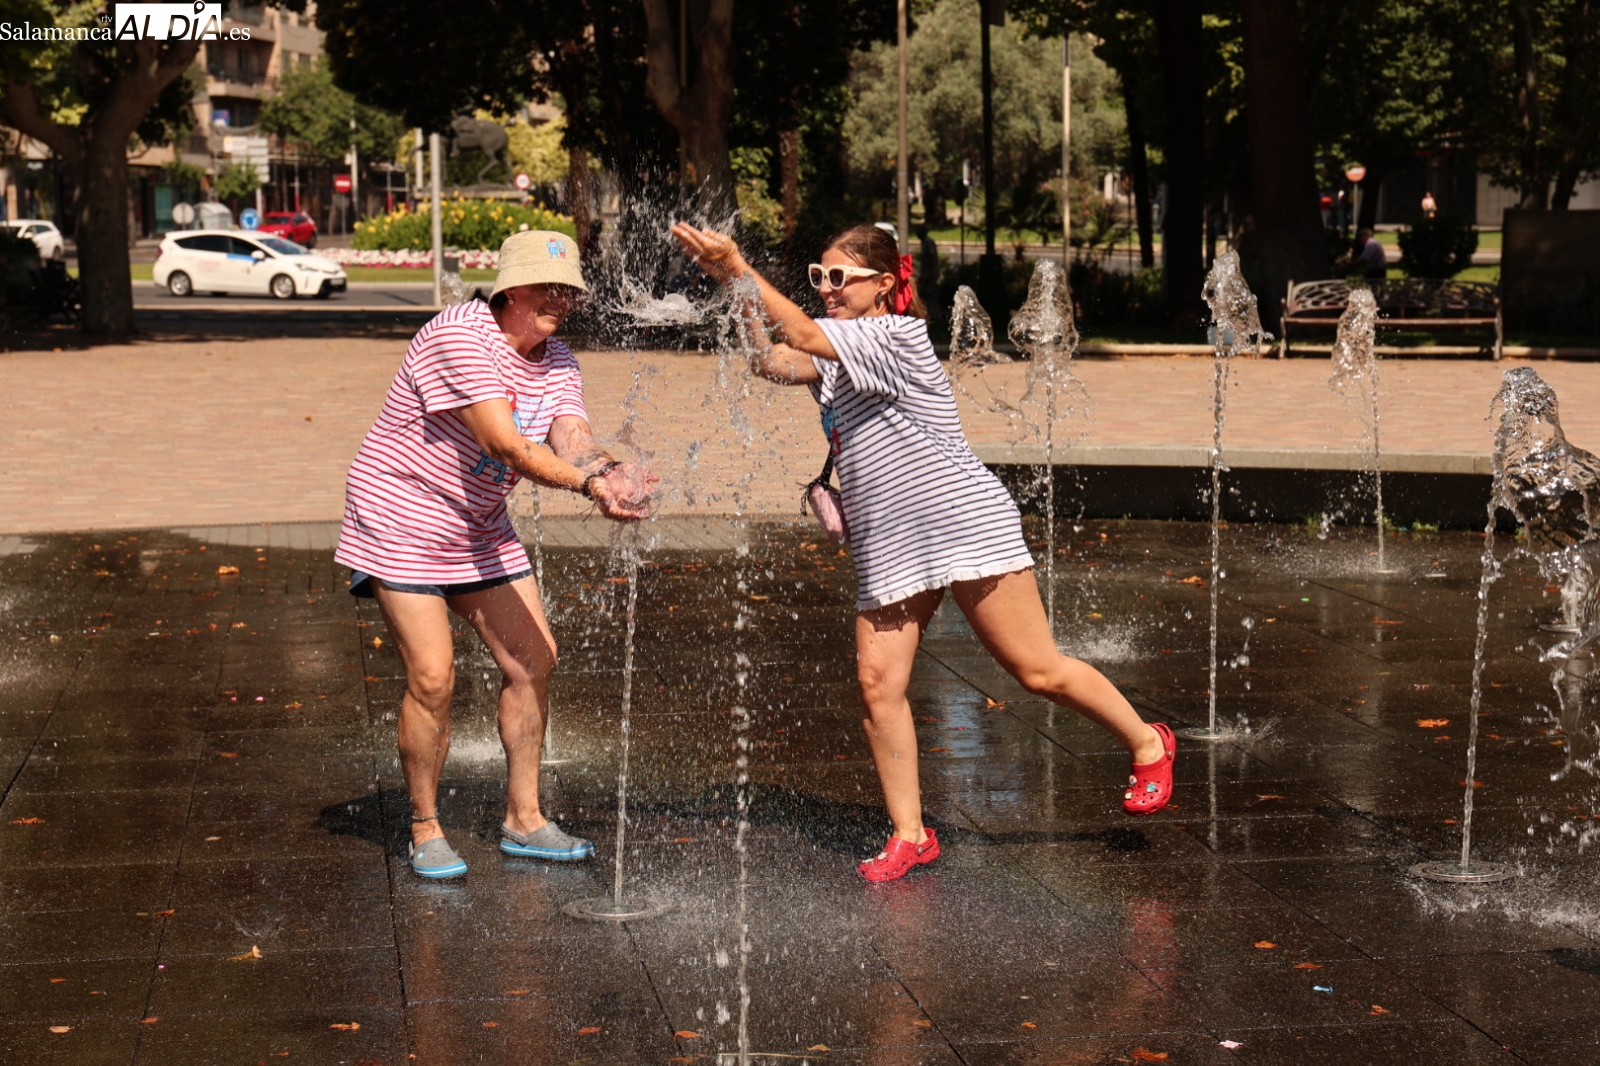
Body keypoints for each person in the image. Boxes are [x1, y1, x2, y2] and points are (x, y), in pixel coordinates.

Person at [670, 220, 1175, 883]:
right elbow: (773, 358)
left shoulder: (896, 336)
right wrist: (732, 289)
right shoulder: (841, 346)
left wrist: (739, 267)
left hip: (964, 525)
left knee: (1037, 670)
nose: (826, 290)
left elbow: (797, 333)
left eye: (839, 279)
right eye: (819, 278)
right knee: (879, 687)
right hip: (891, 541)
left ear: (884, 284)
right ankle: (910, 833)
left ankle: (1147, 741)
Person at [335, 229, 656, 880]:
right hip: (401, 519)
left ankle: (524, 817)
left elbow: (571, 435)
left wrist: (610, 470)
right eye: (547, 286)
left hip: (477, 526)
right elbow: (507, 445)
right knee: (433, 677)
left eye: (569, 290)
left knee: (534, 659)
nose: (560, 300)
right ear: (509, 286)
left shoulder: (557, 357)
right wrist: (590, 485)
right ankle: (425, 826)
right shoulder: (460, 334)